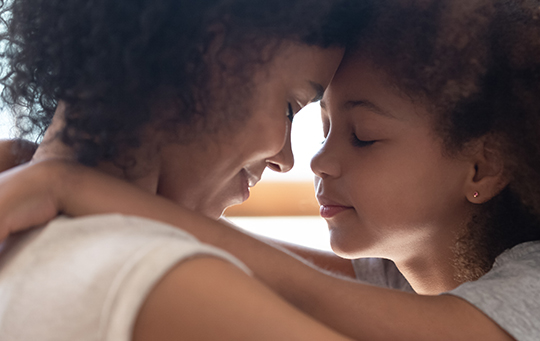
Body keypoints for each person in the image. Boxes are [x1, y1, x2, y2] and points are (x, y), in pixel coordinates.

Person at [1, 0, 540, 340]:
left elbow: (291, 283)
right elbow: (288, 271)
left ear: (483, 164)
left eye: (360, 135)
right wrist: (43, 164)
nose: (304, 158)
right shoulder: (402, 276)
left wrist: (78, 184)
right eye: (302, 110)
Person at [0, 0, 371, 339]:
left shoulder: (21, 229)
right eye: (290, 108)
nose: (286, 160)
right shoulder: (165, 283)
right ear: (206, 55)